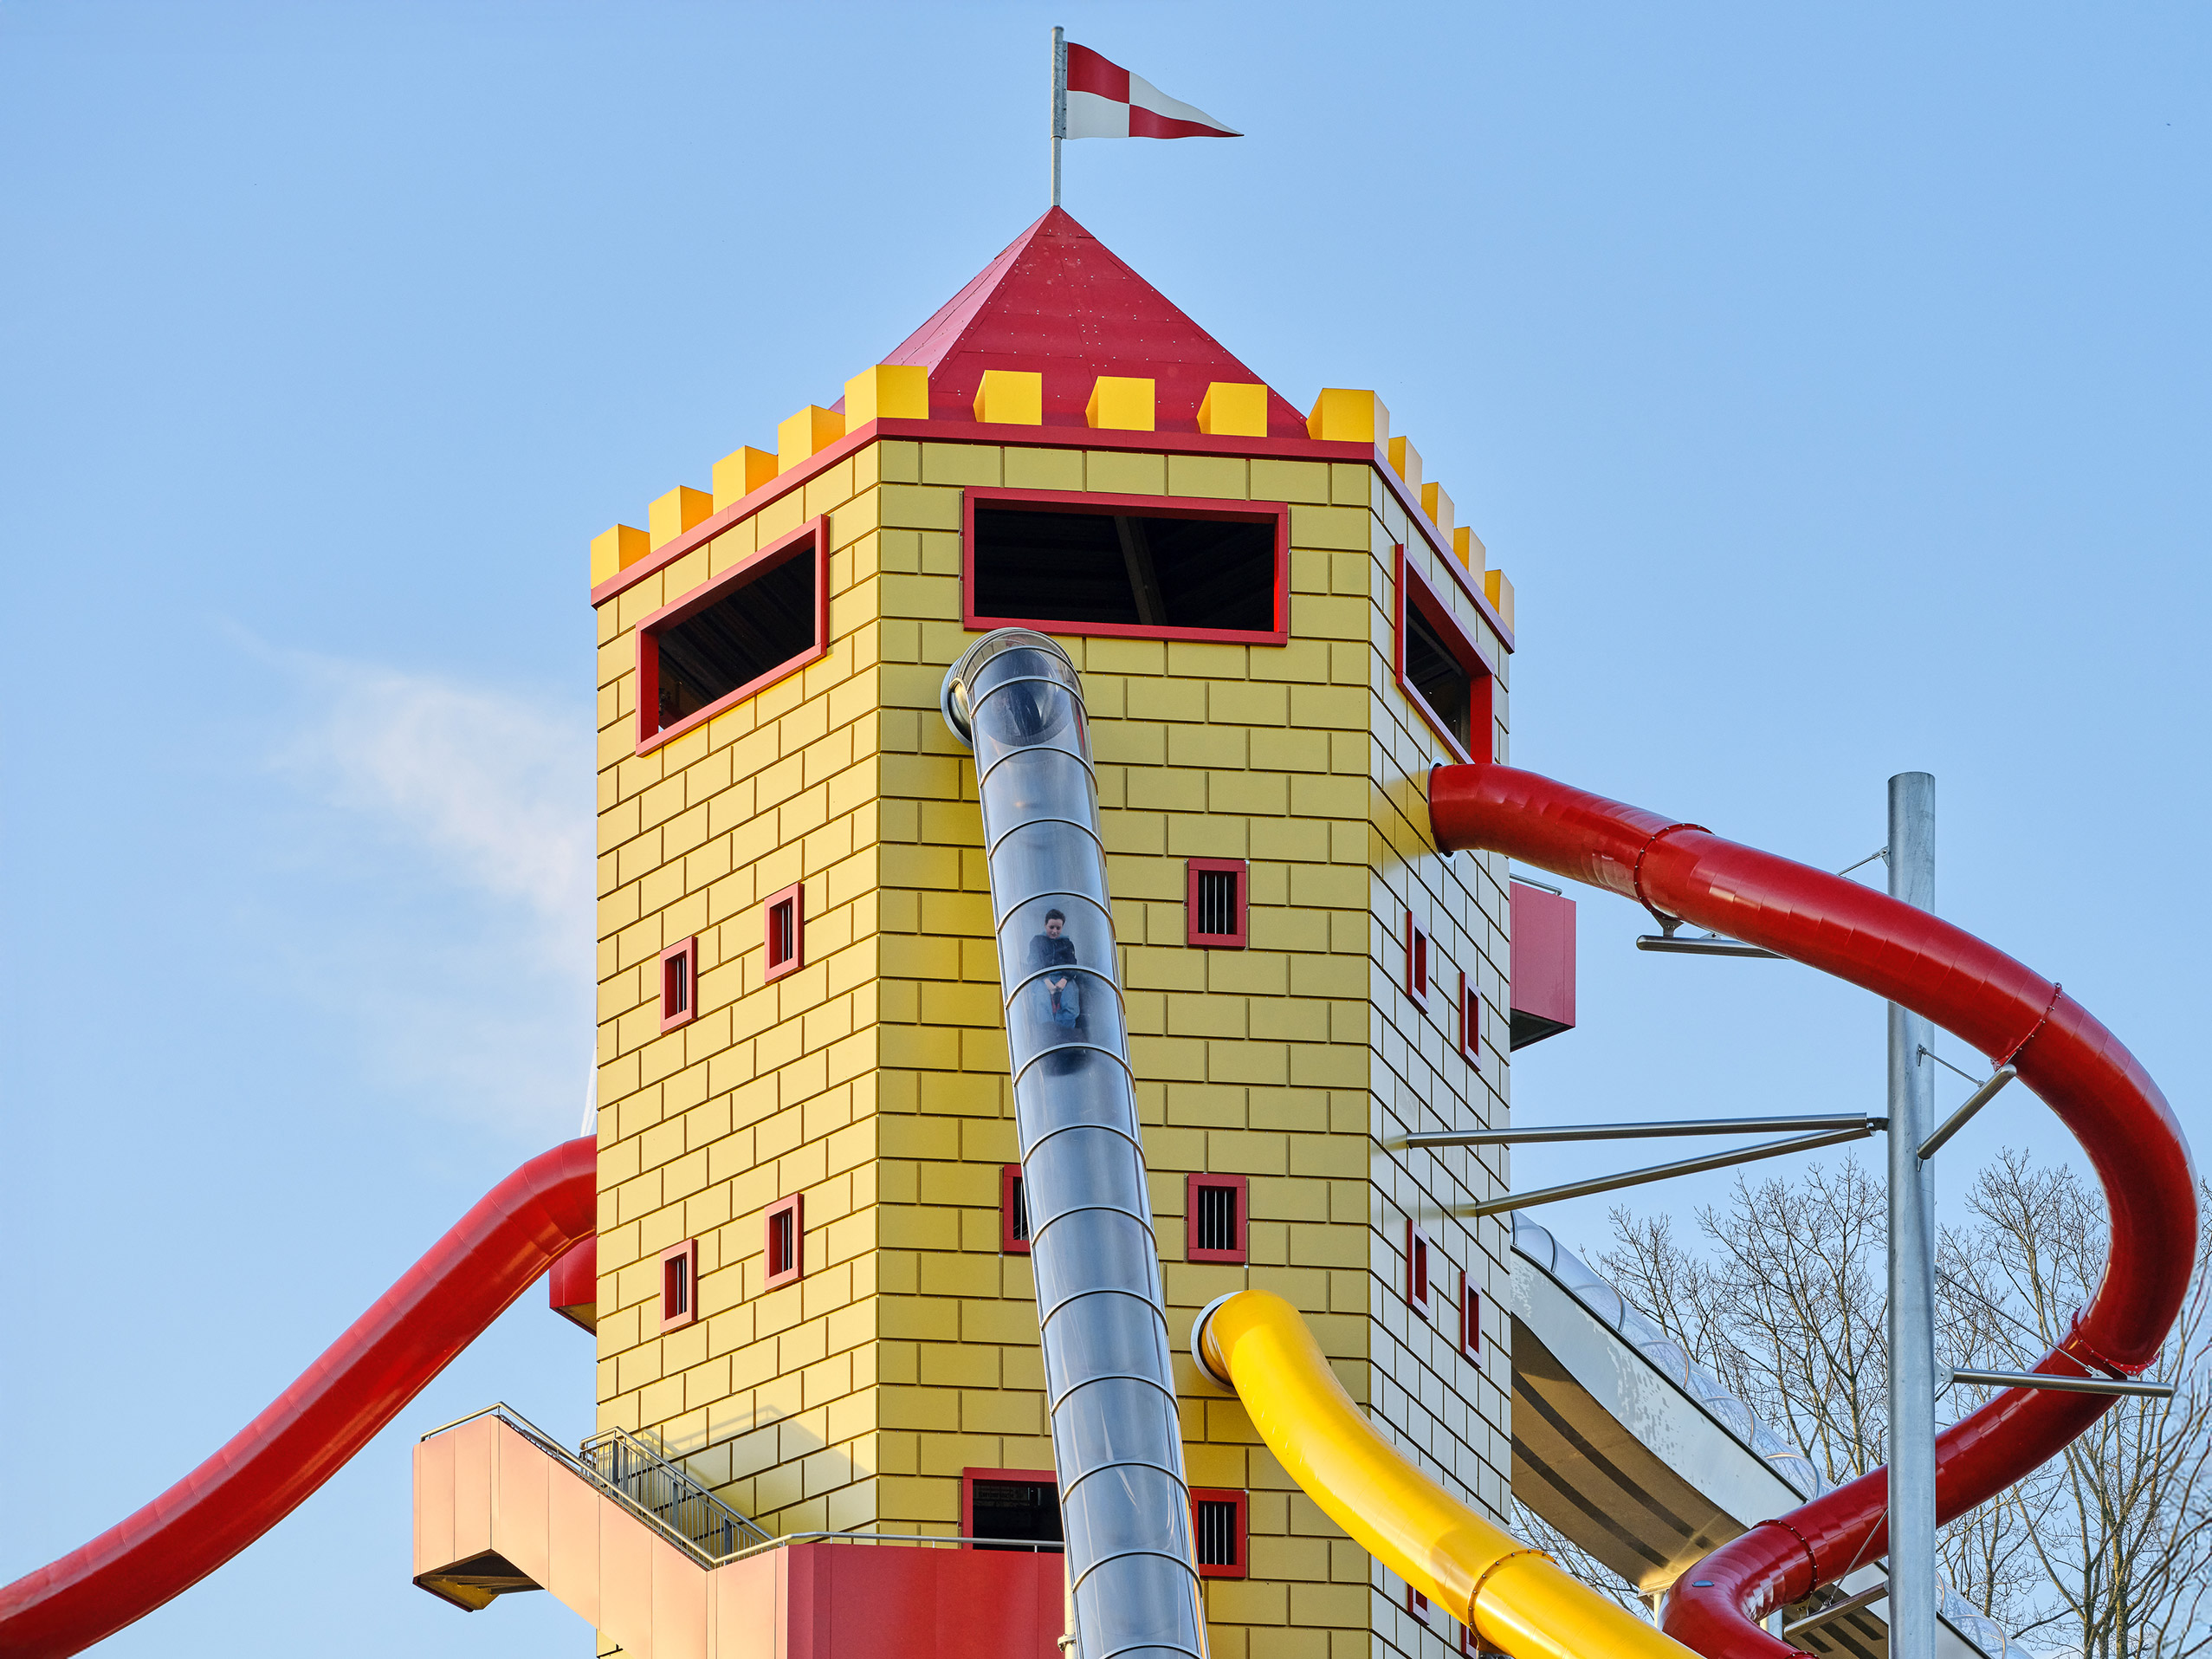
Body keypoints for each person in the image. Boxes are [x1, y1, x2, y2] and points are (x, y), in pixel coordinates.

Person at [1025, 909, 1082, 1032]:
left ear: (1062, 928)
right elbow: (1034, 962)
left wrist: (1064, 980)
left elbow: (1072, 963)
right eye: (1051, 927)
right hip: (1043, 977)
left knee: (1070, 1003)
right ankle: (1048, 1033)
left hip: (1064, 978)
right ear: (1045, 925)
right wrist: (1047, 982)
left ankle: (1065, 1033)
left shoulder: (1067, 943)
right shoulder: (1037, 941)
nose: (1054, 931)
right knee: (1042, 1001)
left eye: (1058, 928)